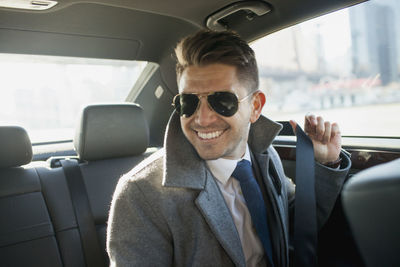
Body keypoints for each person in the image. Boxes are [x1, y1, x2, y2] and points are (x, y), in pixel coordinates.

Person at [106, 30, 351, 267]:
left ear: (255, 106)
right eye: (188, 102)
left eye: (221, 101)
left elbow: (292, 227)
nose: (202, 119)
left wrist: (324, 163)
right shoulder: (140, 194)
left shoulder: (265, 155)